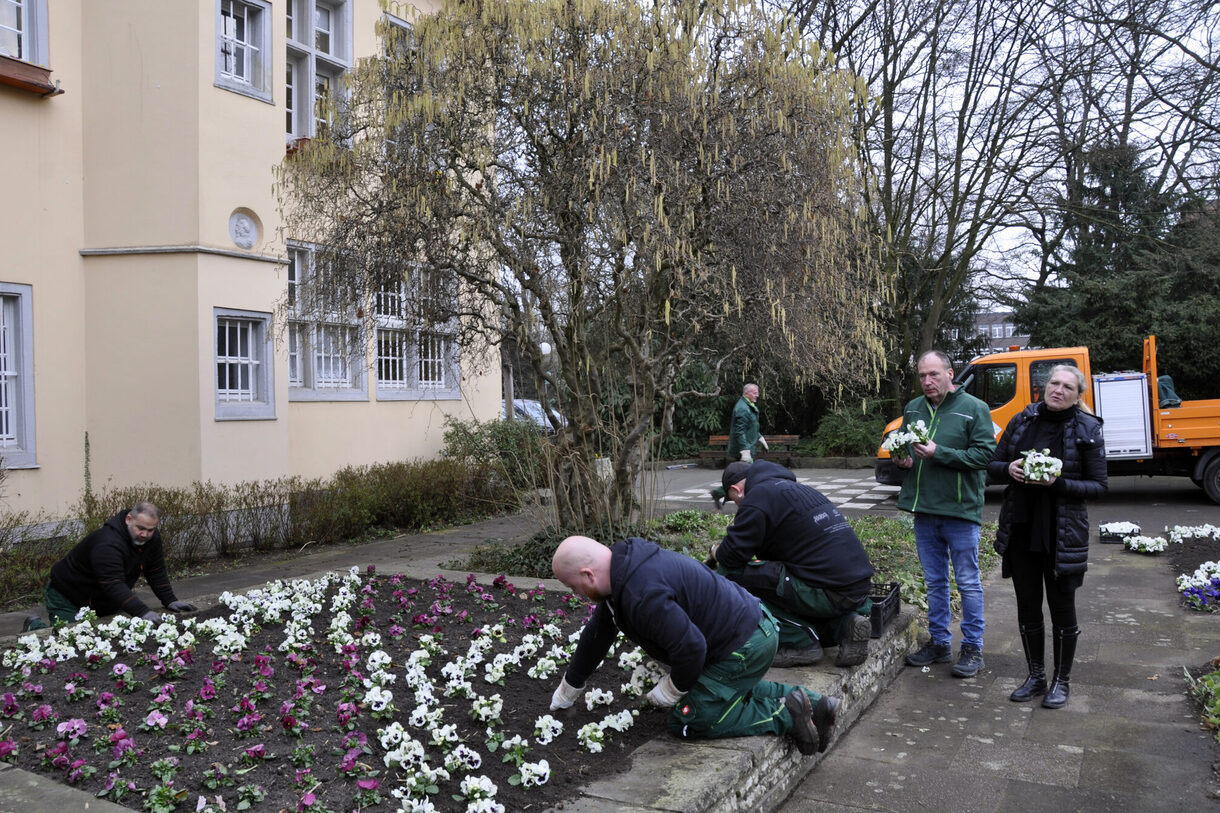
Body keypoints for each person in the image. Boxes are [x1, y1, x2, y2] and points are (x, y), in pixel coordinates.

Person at [550, 535, 839, 755]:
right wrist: (570, 686)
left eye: (573, 587)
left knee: (689, 720)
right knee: (726, 687)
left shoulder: (642, 593)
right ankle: (817, 705)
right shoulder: (623, 571)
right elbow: (597, 634)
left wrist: (671, 689)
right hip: (751, 629)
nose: (576, 595)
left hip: (743, 645)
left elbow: (691, 650)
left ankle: (787, 717)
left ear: (588, 574)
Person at [988, 365, 1106, 709]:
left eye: (1068, 386)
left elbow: (1099, 486)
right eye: (1054, 383)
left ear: (1077, 394)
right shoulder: (1023, 420)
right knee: (1028, 607)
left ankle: (1062, 681)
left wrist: (1059, 484)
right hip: (1022, 529)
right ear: (1044, 386)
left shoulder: (1088, 428)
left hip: (1061, 534)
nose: (1059, 390)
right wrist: (1008, 469)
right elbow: (993, 465)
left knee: (1062, 609)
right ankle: (1036, 676)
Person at [711, 460, 875, 668]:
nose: (736, 505)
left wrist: (715, 552)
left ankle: (801, 643)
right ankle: (845, 625)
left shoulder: (757, 497)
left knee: (729, 573)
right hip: (856, 590)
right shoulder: (797, 490)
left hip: (827, 592)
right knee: (774, 578)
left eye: (732, 500)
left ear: (736, 490)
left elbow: (731, 557)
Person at [896, 350, 996, 677]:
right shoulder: (913, 408)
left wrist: (940, 453)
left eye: (933, 374)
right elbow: (911, 452)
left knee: (967, 582)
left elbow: (984, 456)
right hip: (924, 509)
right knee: (934, 581)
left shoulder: (974, 409)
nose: (927, 381)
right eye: (922, 376)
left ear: (950, 374)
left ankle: (973, 648)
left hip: (960, 510)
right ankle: (939, 643)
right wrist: (905, 461)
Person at [21, 502, 196, 631]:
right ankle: (33, 626)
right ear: (129, 519)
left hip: (103, 595)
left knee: (119, 631)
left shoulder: (151, 538)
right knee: (69, 636)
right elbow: (113, 583)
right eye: (141, 528)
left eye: (150, 530)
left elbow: (155, 570)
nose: (145, 534)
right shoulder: (107, 543)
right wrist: (143, 611)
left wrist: (170, 600)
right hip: (69, 594)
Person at [710, 383, 767, 509]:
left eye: (757, 392)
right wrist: (744, 450)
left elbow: (751, 427)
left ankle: (719, 493)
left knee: (744, 478)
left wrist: (759, 437)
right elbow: (739, 431)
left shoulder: (748, 406)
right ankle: (749, 504)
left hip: (748, 447)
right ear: (746, 393)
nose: (757, 395)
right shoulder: (742, 408)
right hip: (744, 450)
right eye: (754, 392)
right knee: (750, 477)